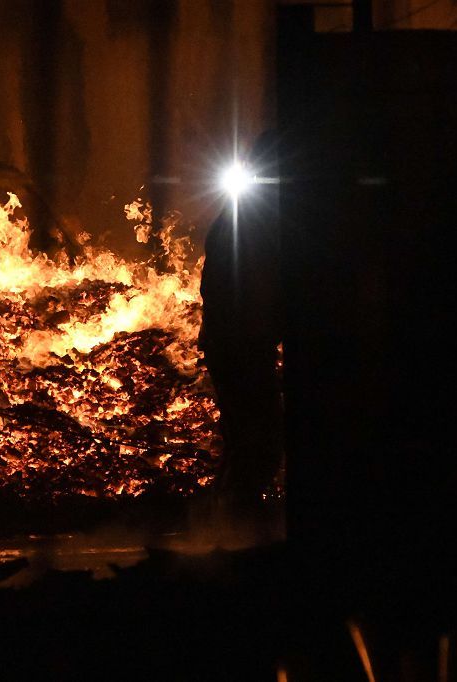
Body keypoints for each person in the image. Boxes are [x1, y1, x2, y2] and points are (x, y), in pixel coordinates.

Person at [199, 131, 284, 516]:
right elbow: (253, 290)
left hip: (233, 343)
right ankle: (236, 531)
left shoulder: (241, 217)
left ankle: (222, 528)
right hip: (242, 346)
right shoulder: (252, 221)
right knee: (256, 444)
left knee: (245, 441)